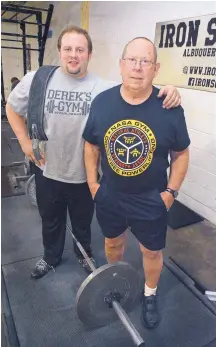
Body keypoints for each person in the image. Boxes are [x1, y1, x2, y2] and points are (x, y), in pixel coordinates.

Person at [6, 26, 181, 280]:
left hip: (83, 175)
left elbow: (138, 85)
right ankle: (50, 256)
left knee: (83, 223)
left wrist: (171, 90)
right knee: (50, 220)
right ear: (59, 52)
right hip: (46, 168)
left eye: (80, 49)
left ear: (89, 54)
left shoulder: (102, 87)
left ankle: (83, 254)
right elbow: (12, 107)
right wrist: (23, 141)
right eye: (68, 49)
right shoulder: (37, 80)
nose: (73, 55)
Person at [83, 37, 190, 329]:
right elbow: (91, 145)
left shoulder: (169, 107)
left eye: (145, 61)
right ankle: (114, 281)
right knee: (112, 241)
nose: (137, 67)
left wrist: (170, 192)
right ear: (121, 64)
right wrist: (93, 184)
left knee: (151, 251)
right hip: (111, 195)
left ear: (155, 68)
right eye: (131, 59)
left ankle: (150, 294)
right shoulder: (102, 103)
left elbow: (181, 154)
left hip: (151, 197)